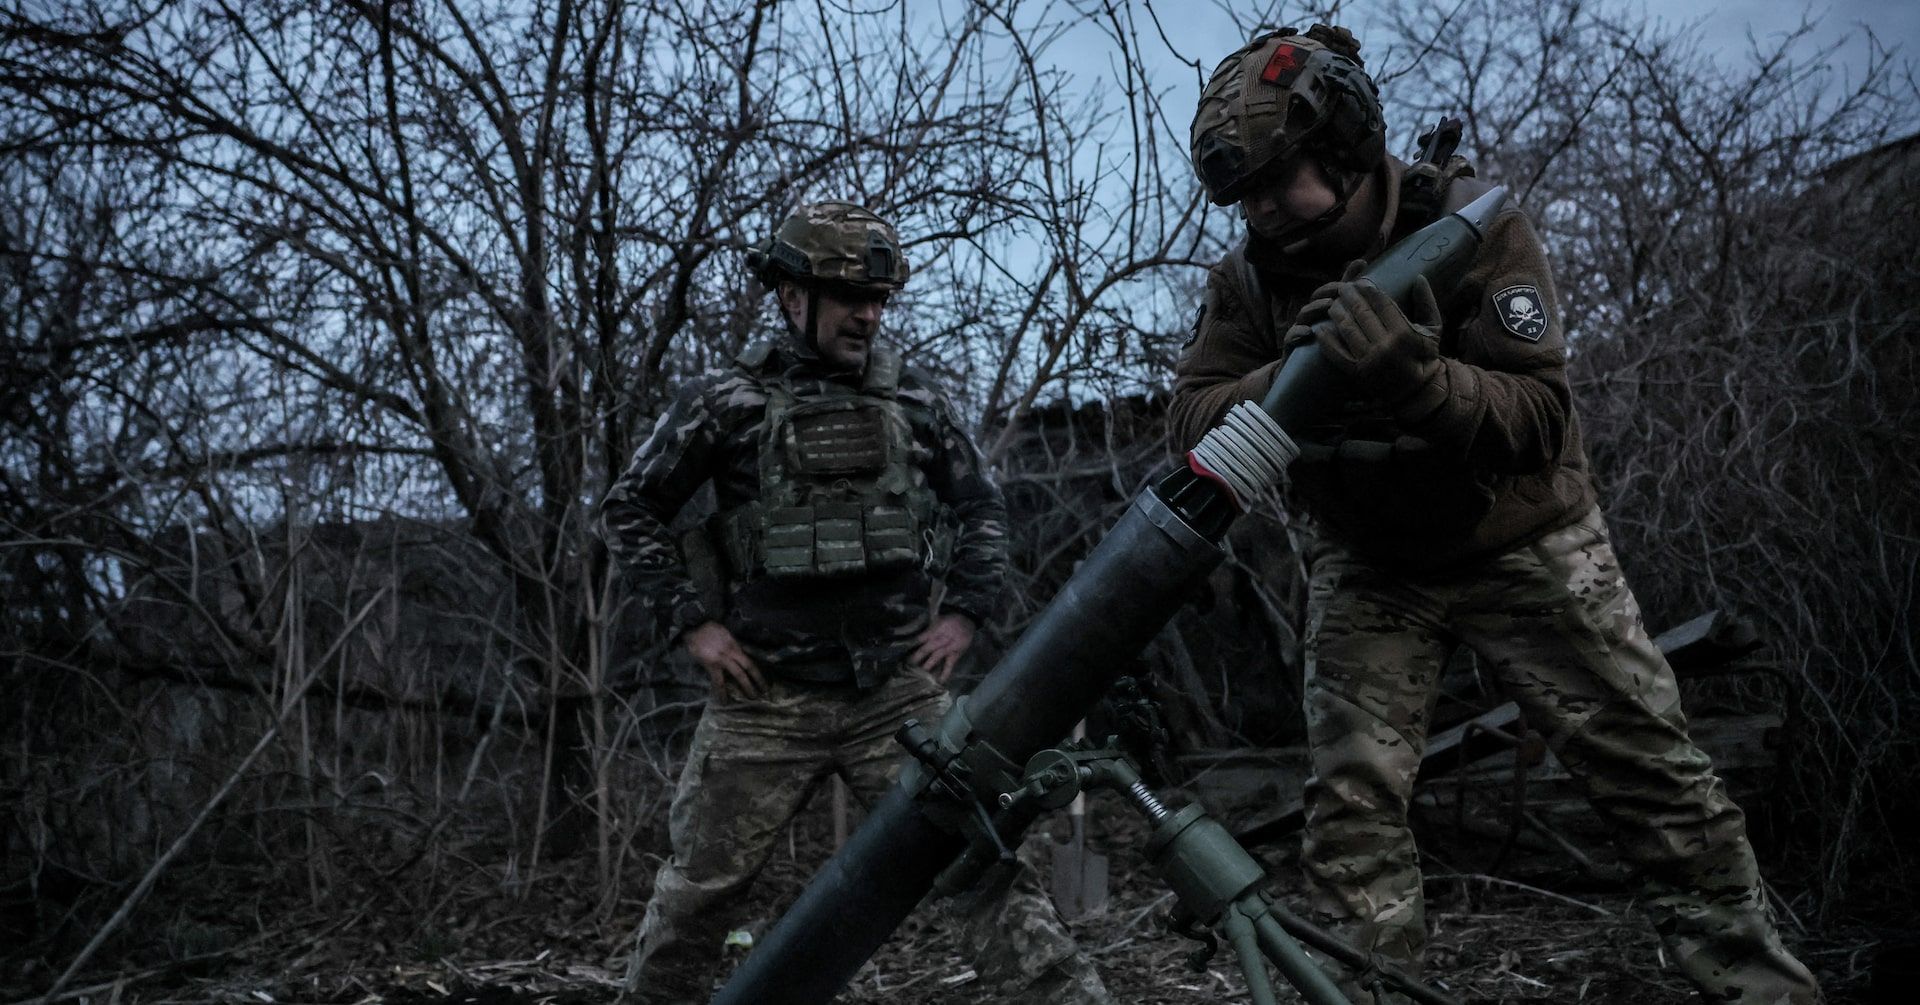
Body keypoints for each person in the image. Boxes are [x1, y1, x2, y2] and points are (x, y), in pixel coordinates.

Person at [1172, 25, 1823, 1005]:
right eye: (1243, 196)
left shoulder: (1468, 225)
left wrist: (1416, 380)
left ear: (1345, 154)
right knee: (1350, 819)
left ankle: (1762, 990)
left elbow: (1540, 414)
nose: (1259, 211)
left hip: (1523, 540)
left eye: (1278, 181)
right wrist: (1286, 378)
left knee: (1659, 789)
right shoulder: (1249, 282)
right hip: (1372, 563)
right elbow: (1187, 416)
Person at [601, 201, 1111, 1004]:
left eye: (879, 300)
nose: (870, 316)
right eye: (850, 298)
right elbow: (630, 508)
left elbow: (982, 502)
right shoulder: (724, 401)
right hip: (762, 696)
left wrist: (966, 610)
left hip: (893, 698)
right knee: (698, 897)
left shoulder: (913, 399)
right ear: (792, 297)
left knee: (978, 867)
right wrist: (692, 624)